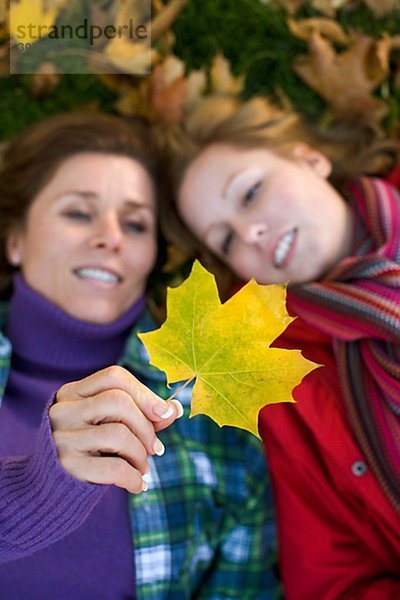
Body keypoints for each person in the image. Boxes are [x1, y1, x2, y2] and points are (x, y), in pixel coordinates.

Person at [0, 111, 279, 599]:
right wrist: (31, 493)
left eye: (135, 224)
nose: (111, 237)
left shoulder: (212, 429)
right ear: (15, 239)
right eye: (78, 212)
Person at [163, 95, 400, 599]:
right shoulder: (279, 382)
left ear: (308, 158)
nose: (250, 233)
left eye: (250, 194)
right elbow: (334, 582)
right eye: (225, 240)